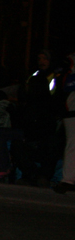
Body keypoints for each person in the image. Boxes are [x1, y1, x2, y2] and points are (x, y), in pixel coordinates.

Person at [54, 52, 75, 194]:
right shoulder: (68, 64)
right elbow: (66, 85)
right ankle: (68, 180)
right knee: (72, 144)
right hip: (71, 111)